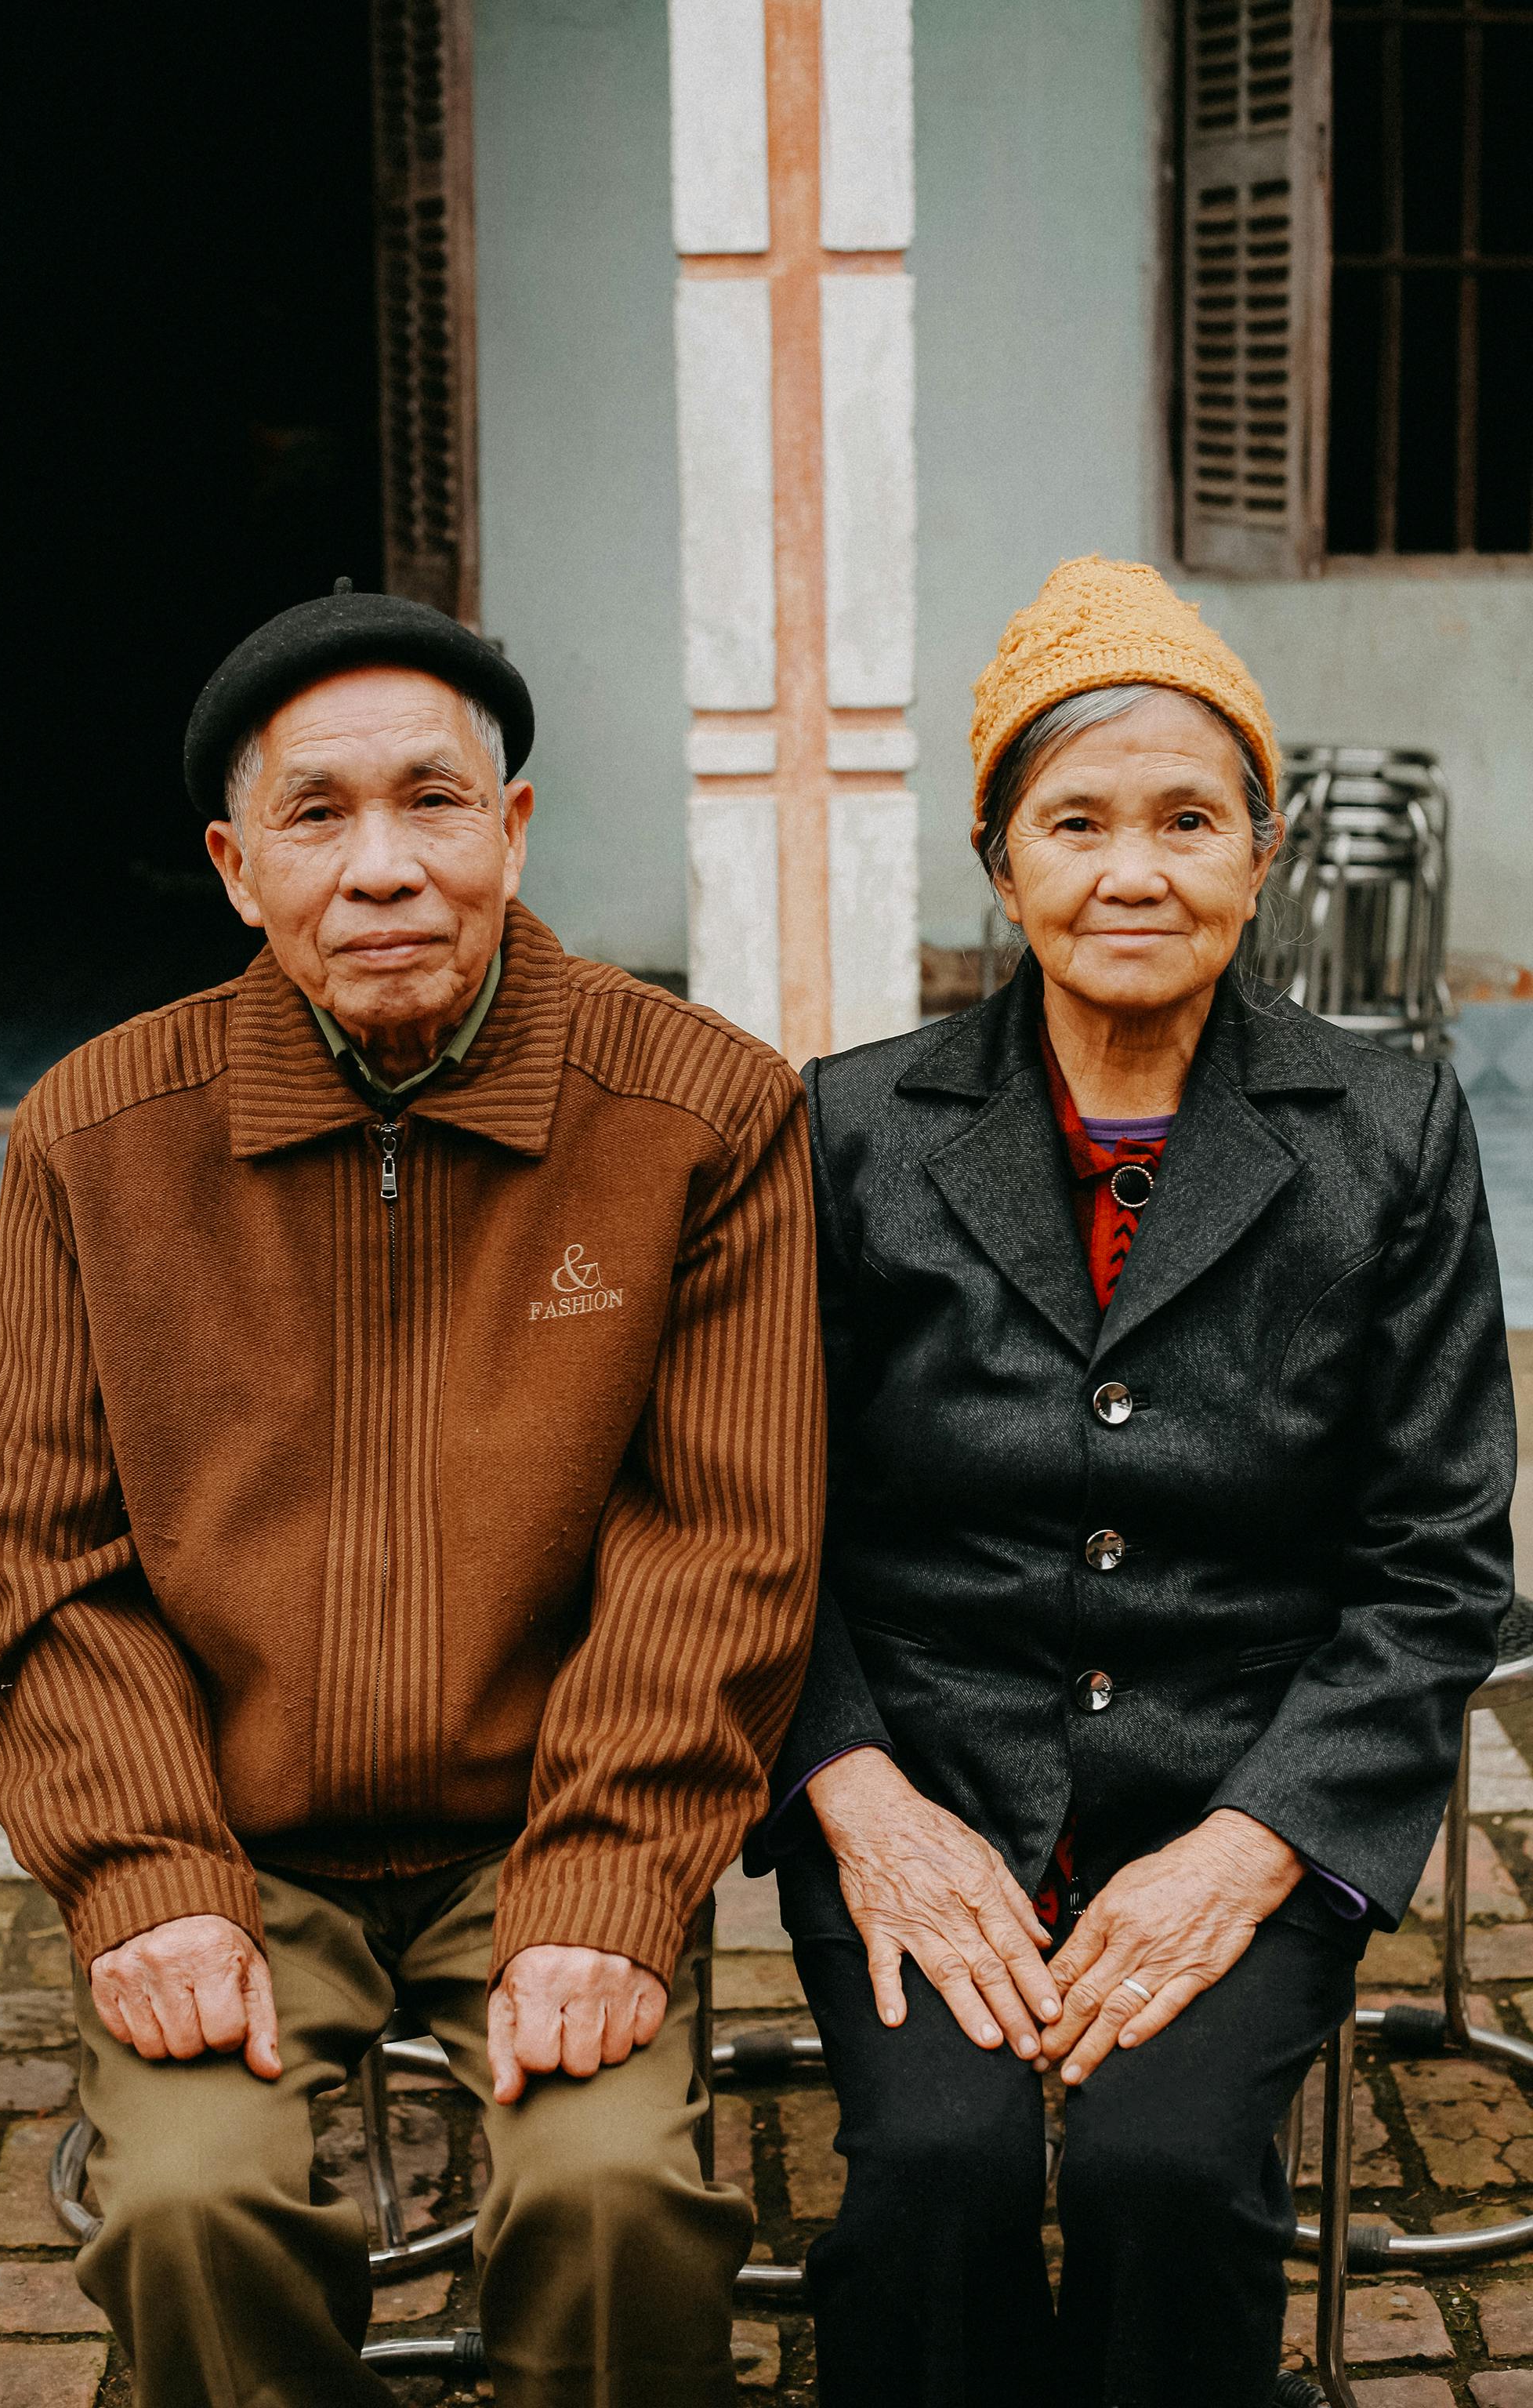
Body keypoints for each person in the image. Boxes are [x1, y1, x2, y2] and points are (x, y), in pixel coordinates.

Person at [0, 586, 823, 2408]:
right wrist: (151, 1877)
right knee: (188, 2206)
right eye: (317, 816)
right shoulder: (92, 1135)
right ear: (232, 865)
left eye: (434, 804)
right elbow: (42, 1560)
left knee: (610, 2205)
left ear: (508, 831)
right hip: (231, 1834)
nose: (382, 870)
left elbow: (724, 1543)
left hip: (545, 1823)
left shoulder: (700, 1112)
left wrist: (604, 1877)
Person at [757, 556, 1517, 2407]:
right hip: (925, 1786)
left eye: (1189, 820)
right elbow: (753, 1525)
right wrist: (858, 1795)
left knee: (1164, 2172)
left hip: (1241, 1790)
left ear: (1259, 858)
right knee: (931, 2174)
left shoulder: (1386, 1130)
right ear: (997, 860)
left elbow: (1437, 1568)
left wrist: (1247, 1851)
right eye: (1074, 821)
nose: (1132, 871)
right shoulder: (854, 1128)